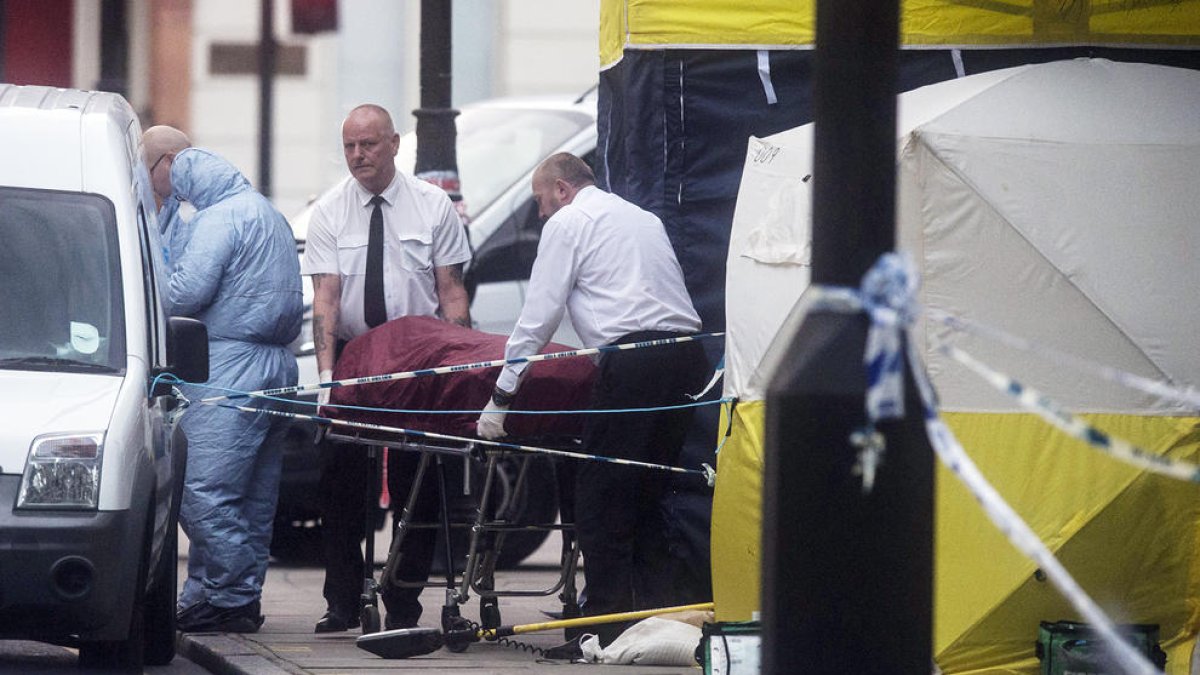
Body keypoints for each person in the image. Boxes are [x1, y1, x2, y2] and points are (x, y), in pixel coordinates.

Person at [475, 152, 707, 648]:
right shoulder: (643, 218)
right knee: (648, 497)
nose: (540, 215)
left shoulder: (569, 222)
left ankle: (604, 633)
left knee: (600, 501)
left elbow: (538, 315)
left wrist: (502, 396)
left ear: (561, 189)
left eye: (539, 201)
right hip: (687, 361)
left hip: (635, 364)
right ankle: (658, 629)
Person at [301, 103, 472, 633]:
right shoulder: (330, 211)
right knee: (339, 480)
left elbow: (451, 295)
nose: (358, 155)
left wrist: (458, 373)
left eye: (368, 144)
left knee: (415, 482)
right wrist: (328, 384)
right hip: (354, 355)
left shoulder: (432, 207)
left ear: (395, 144)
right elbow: (325, 300)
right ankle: (342, 600)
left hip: (417, 356)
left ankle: (402, 601)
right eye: (349, 145)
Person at [164, 147, 303, 632]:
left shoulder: (219, 219)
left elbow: (186, 294)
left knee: (199, 489)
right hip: (279, 368)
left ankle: (232, 593)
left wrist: (152, 277)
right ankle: (211, 595)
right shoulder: (269, 213)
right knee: (251, 497)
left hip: (227, 365)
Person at [141, 125, 195, 263]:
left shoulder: (192, 216)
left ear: (170, 161)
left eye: (150, 172)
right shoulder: (170, 208)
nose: (149, 185)